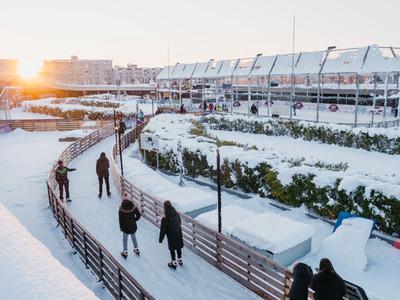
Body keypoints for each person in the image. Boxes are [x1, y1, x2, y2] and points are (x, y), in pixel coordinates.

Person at [159, 201, 184, 269]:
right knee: (178, 247)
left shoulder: (165, 218)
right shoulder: (177, 214)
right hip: (178, 233)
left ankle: (174, 262)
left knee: (172, 248)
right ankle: (180, 259)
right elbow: (180, 222)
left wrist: (160, 239)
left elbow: (163, 230)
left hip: (171, 235)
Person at [119, 193, 141, 258]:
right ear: (128, 198)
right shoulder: (133, 206)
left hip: (125, 227)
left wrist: (121, 227)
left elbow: (120, 220)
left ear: (122, 199)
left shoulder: (121, 209)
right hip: (133, 226)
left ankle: (125, 252)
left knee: (125, 239)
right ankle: (136, 249)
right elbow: (139, 215)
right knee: (133, 237)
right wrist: (134, 220)